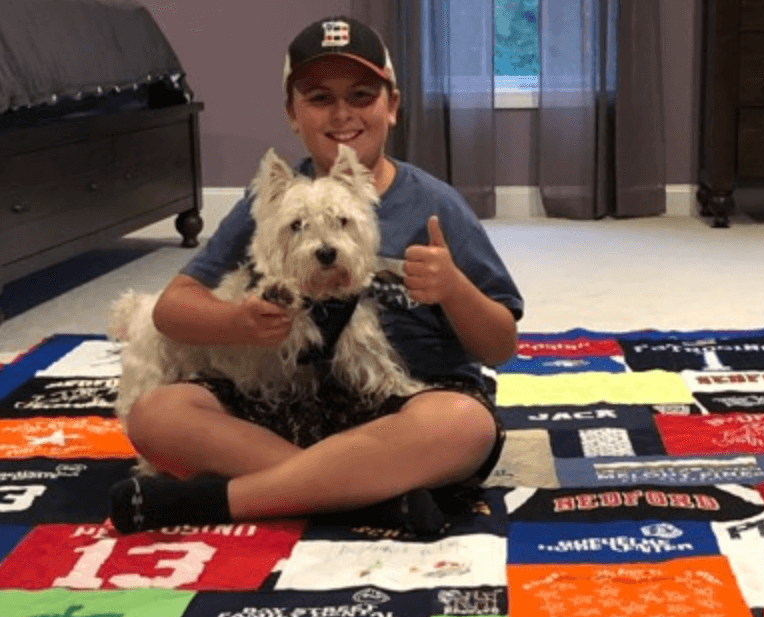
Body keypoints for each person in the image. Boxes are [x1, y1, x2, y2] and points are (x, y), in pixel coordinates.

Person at [108, 16, 523, 536]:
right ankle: (365, 497)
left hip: (406, 402)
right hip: (281, 403)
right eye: (320, 97)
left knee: (463, 426)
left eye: (362, 95)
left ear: (392, 107)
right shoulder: (271, 204)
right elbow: (172, 311)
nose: (343, 113)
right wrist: (236, 322)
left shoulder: (434, 204)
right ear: (292, 114)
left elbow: (501, 345)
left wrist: (455, 290)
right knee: (156, 414)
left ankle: (229, 499)